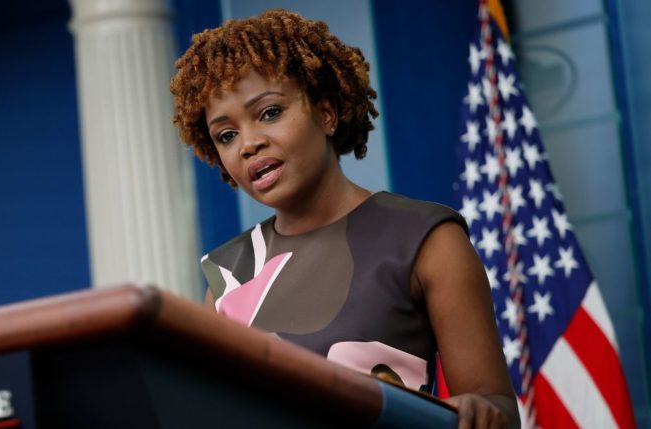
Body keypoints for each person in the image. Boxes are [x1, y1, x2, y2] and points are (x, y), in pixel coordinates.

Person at [170, 9, 519, 429]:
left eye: (269, 113)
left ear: (327, 113)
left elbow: (495, 408)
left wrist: (479, 410)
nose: (249, 143)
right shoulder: (227, 276)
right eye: (226, 135)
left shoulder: (426, 239)